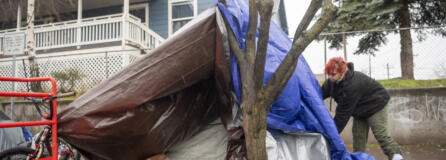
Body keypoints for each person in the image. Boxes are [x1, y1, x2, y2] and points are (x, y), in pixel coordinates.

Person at [321, 57, 403, 160]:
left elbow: (342, 116)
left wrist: (330, 135)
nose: (330, 77)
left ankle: (396, 156)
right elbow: (318, 95)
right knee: (358, 138)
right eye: (328, 74)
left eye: (333, 74)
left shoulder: (351, 86)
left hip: (376, 104)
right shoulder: (331, 82)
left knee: (380, 134)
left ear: (342, 73)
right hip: (360, 109)